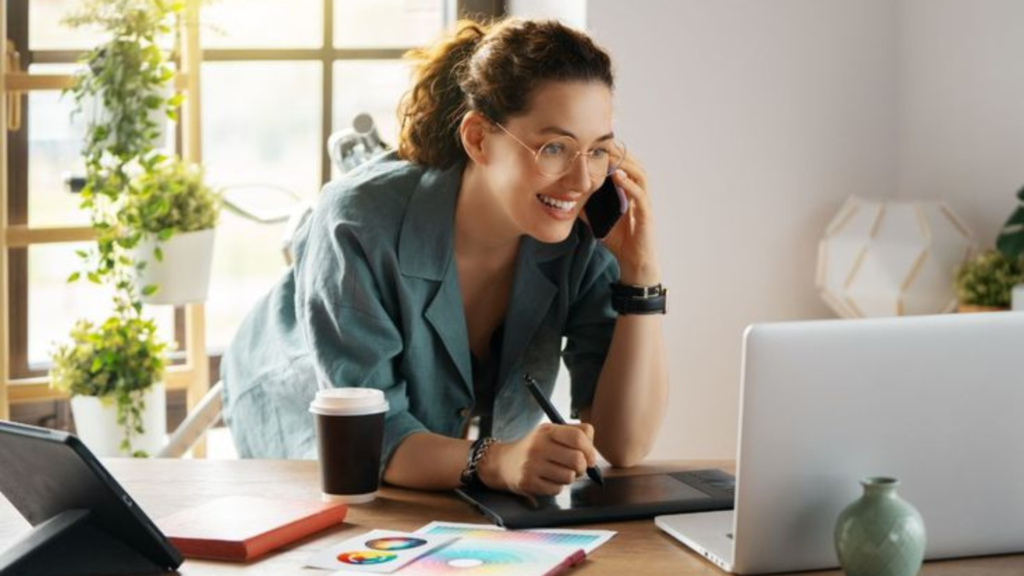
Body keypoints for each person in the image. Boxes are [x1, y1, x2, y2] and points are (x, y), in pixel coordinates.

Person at [221, 18, 668, 497]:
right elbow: (372, 435)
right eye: (554, 147)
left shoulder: (580, 233)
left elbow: (624, 444)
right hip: (304, 406)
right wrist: (496, 461)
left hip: (446, 453)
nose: (582, 180)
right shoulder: (358, 220)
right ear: (478, 138)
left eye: (598, 151)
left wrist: (640, 275)